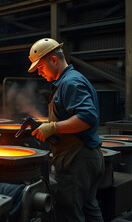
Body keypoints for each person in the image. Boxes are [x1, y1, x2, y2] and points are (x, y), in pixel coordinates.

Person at [28, 38, 105, 222]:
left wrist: (54, 127)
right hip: (87, 156)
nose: (40, 72)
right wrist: (48, 127)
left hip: (77, 161)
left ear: (54, 60)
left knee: (69, 213)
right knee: (88, 207)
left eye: (40, 67)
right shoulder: (69, 80)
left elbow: (88, 117)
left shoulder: (70, 83)